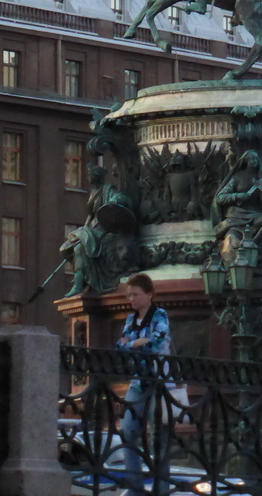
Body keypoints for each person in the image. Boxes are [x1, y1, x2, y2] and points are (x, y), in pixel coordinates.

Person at [114, 273, 172, 496]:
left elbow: (156, 343)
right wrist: (137, 343)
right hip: (138, 381)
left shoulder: (160, 315)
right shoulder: (131, 319)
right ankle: (135, 486)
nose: (132, 300)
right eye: (129, 296)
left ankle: (161, 488)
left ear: (149, 294)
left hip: (159, 381)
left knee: (159, 436)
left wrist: (136, 343)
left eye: (136, 295)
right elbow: (120, 345)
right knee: (127, 430)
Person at [60, 165, 135, 297]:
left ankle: (78, 284)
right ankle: (80, 279)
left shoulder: (108, 189)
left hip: (105, 229)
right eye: (89, 175)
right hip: (93, 230)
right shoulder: (93, 192)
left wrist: (114, 201)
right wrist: (84, 229)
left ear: (97, 176)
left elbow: (123, 198)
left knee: (79, 249)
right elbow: (91, 215)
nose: (89, 177)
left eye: (91, 175)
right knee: (69, 246)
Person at [211, 149, 262, 271]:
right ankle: (235, 269)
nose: (253, 161)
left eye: (255, 159)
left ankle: (258, 265)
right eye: (251, 159)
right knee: (231, 238)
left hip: (257, 216)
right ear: (245, 161)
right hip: (236, 219)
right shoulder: (237, 177)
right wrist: (237, 196)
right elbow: (220, 197)